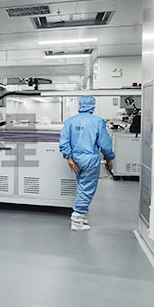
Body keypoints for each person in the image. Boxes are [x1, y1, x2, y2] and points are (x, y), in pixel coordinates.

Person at [59, 95, 115, 231]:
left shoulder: (70, 121)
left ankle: (81, 215)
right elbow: (105, 144)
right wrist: (109, 158)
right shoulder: (97, 121)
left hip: (75, 159)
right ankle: (77, 219)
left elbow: (64, 141)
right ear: (93, 106)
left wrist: (69, 158)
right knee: (87, 188)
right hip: (90, 159)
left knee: (82, 186)